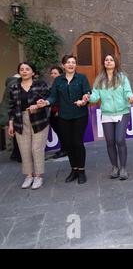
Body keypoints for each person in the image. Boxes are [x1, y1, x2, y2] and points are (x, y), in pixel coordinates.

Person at [37, 55, 91, 184]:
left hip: (80, 115)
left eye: (73, 62)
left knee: (77, 143)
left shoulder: (82, 78)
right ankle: (74, 170)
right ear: (63, 65)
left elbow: (87, 92)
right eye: (68, 62)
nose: (71, 64)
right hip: (64, 116)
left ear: (76, 65)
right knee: (68, 144)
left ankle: (82, 171)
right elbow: (53, 97)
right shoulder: (58, 81)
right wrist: (45, 102)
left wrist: (84, 99)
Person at [84, 55, 133, 180]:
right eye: (106, 60)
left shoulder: (122, 77)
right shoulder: (99, 79)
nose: (108, 61)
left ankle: (123, 168)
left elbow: (127, 91)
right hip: (106, 113)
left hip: (122, 112)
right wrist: (88, 97)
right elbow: (95, 96)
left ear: (115, 62)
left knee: (119, 140)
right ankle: (115, 167)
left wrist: (130, 97)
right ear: (104, 63)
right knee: (110, 142)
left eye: (111, 60)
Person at [8, 62, 49, 189]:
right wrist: (11, 124)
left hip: (39, 120)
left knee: (36, 149)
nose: (24, 71)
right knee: (24, 149)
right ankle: (29, 175)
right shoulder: (14, 87)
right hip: (20, 120)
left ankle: (38, 176)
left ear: (33, 72)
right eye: (21, 69)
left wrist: (38, 105)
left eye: (27, 69)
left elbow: (48, 99)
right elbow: (11, 107)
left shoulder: (40, 84)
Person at [0, 74, 22, 162]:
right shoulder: (15, 83)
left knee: (16, 135)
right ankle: (19, 155)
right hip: (13, 113)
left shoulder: (9, 83)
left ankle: (15, 154)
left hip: (6, 113)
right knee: (19, 135)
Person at [47, 66, 67, 159]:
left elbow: (62, 100)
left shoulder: (62, 85)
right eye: (52, 73)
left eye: (55, 73)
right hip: (53, 111)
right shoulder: (53, 85)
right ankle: (63, 149)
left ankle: (65, 150)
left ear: (60, 74)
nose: (53, 75)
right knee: (58, 131)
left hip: (60, 112)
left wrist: (59, 111)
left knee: (62, 132)